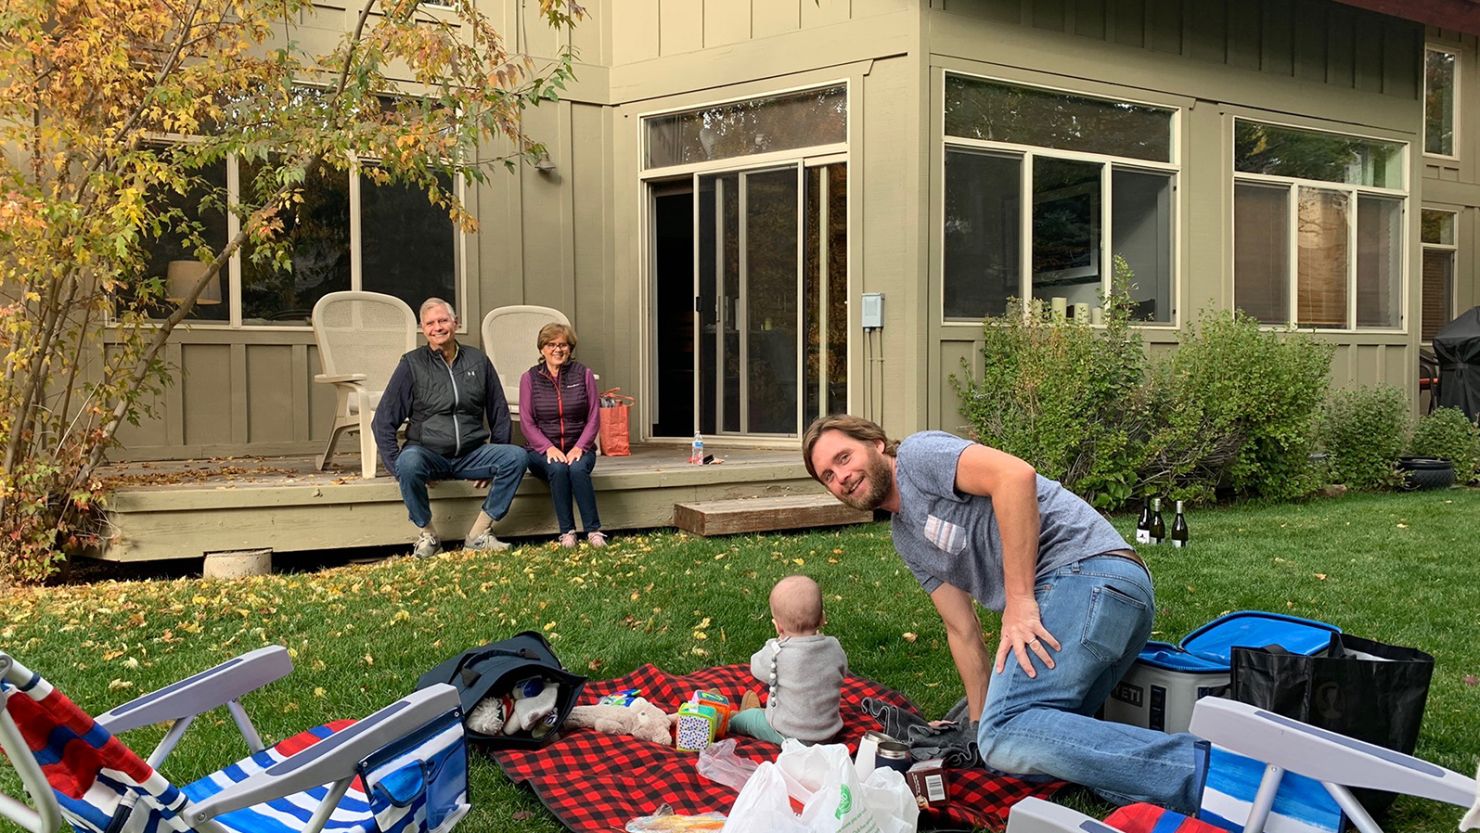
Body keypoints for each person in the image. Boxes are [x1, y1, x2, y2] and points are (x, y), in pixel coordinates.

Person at [802, 415, 1208, 813]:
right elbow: (961, 629)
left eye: (843, 458)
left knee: (1007, 731)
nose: (842, 477)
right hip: (1115, 600)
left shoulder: (918, 457)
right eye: (828, 476)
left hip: (1086, 573)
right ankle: (1204, 803)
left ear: (875, 444)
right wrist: (977, 730)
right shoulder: (905, 537)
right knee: (1018, 747)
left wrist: (1019, 600)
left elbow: (1015, 477)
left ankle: (1206, 772)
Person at [372, 298, 527, 558]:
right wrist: (397, 468)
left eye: (443, 320)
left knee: (516, 457)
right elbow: (383, 421)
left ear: (456, 323)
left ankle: (479, 534)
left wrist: (496, 448)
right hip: (428, 452)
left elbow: (499, 411)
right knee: (408, 462)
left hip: (471, 453)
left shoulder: (478, 361)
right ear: (423, 328)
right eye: (430, 323)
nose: (438, 327)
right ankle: (428, 535)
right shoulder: (412, 364)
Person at [730, 575, 848, 745]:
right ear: (822, 617)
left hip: (790, 735)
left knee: (748, 720)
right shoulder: (834, 647)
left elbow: (756, 666)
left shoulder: (778, 653)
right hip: (828, 734)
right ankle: (759, 712)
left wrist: (773, 643)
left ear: (777, 626)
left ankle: (729, 720)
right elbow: (843, 670)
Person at [519, 322, 607, 548]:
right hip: (541, 451)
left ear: (570, 348)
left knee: (577, 468)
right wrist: (548, 448)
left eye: (563, 345)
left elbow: (593, 417)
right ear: (542, 349)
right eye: (551, 344)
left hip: (579, 447)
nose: (558, 349)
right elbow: (527, 423)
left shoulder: (583, 374)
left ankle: (593, 531)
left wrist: (581, 446)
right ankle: (567, 532)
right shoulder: (530, 378)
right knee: (558, 468)